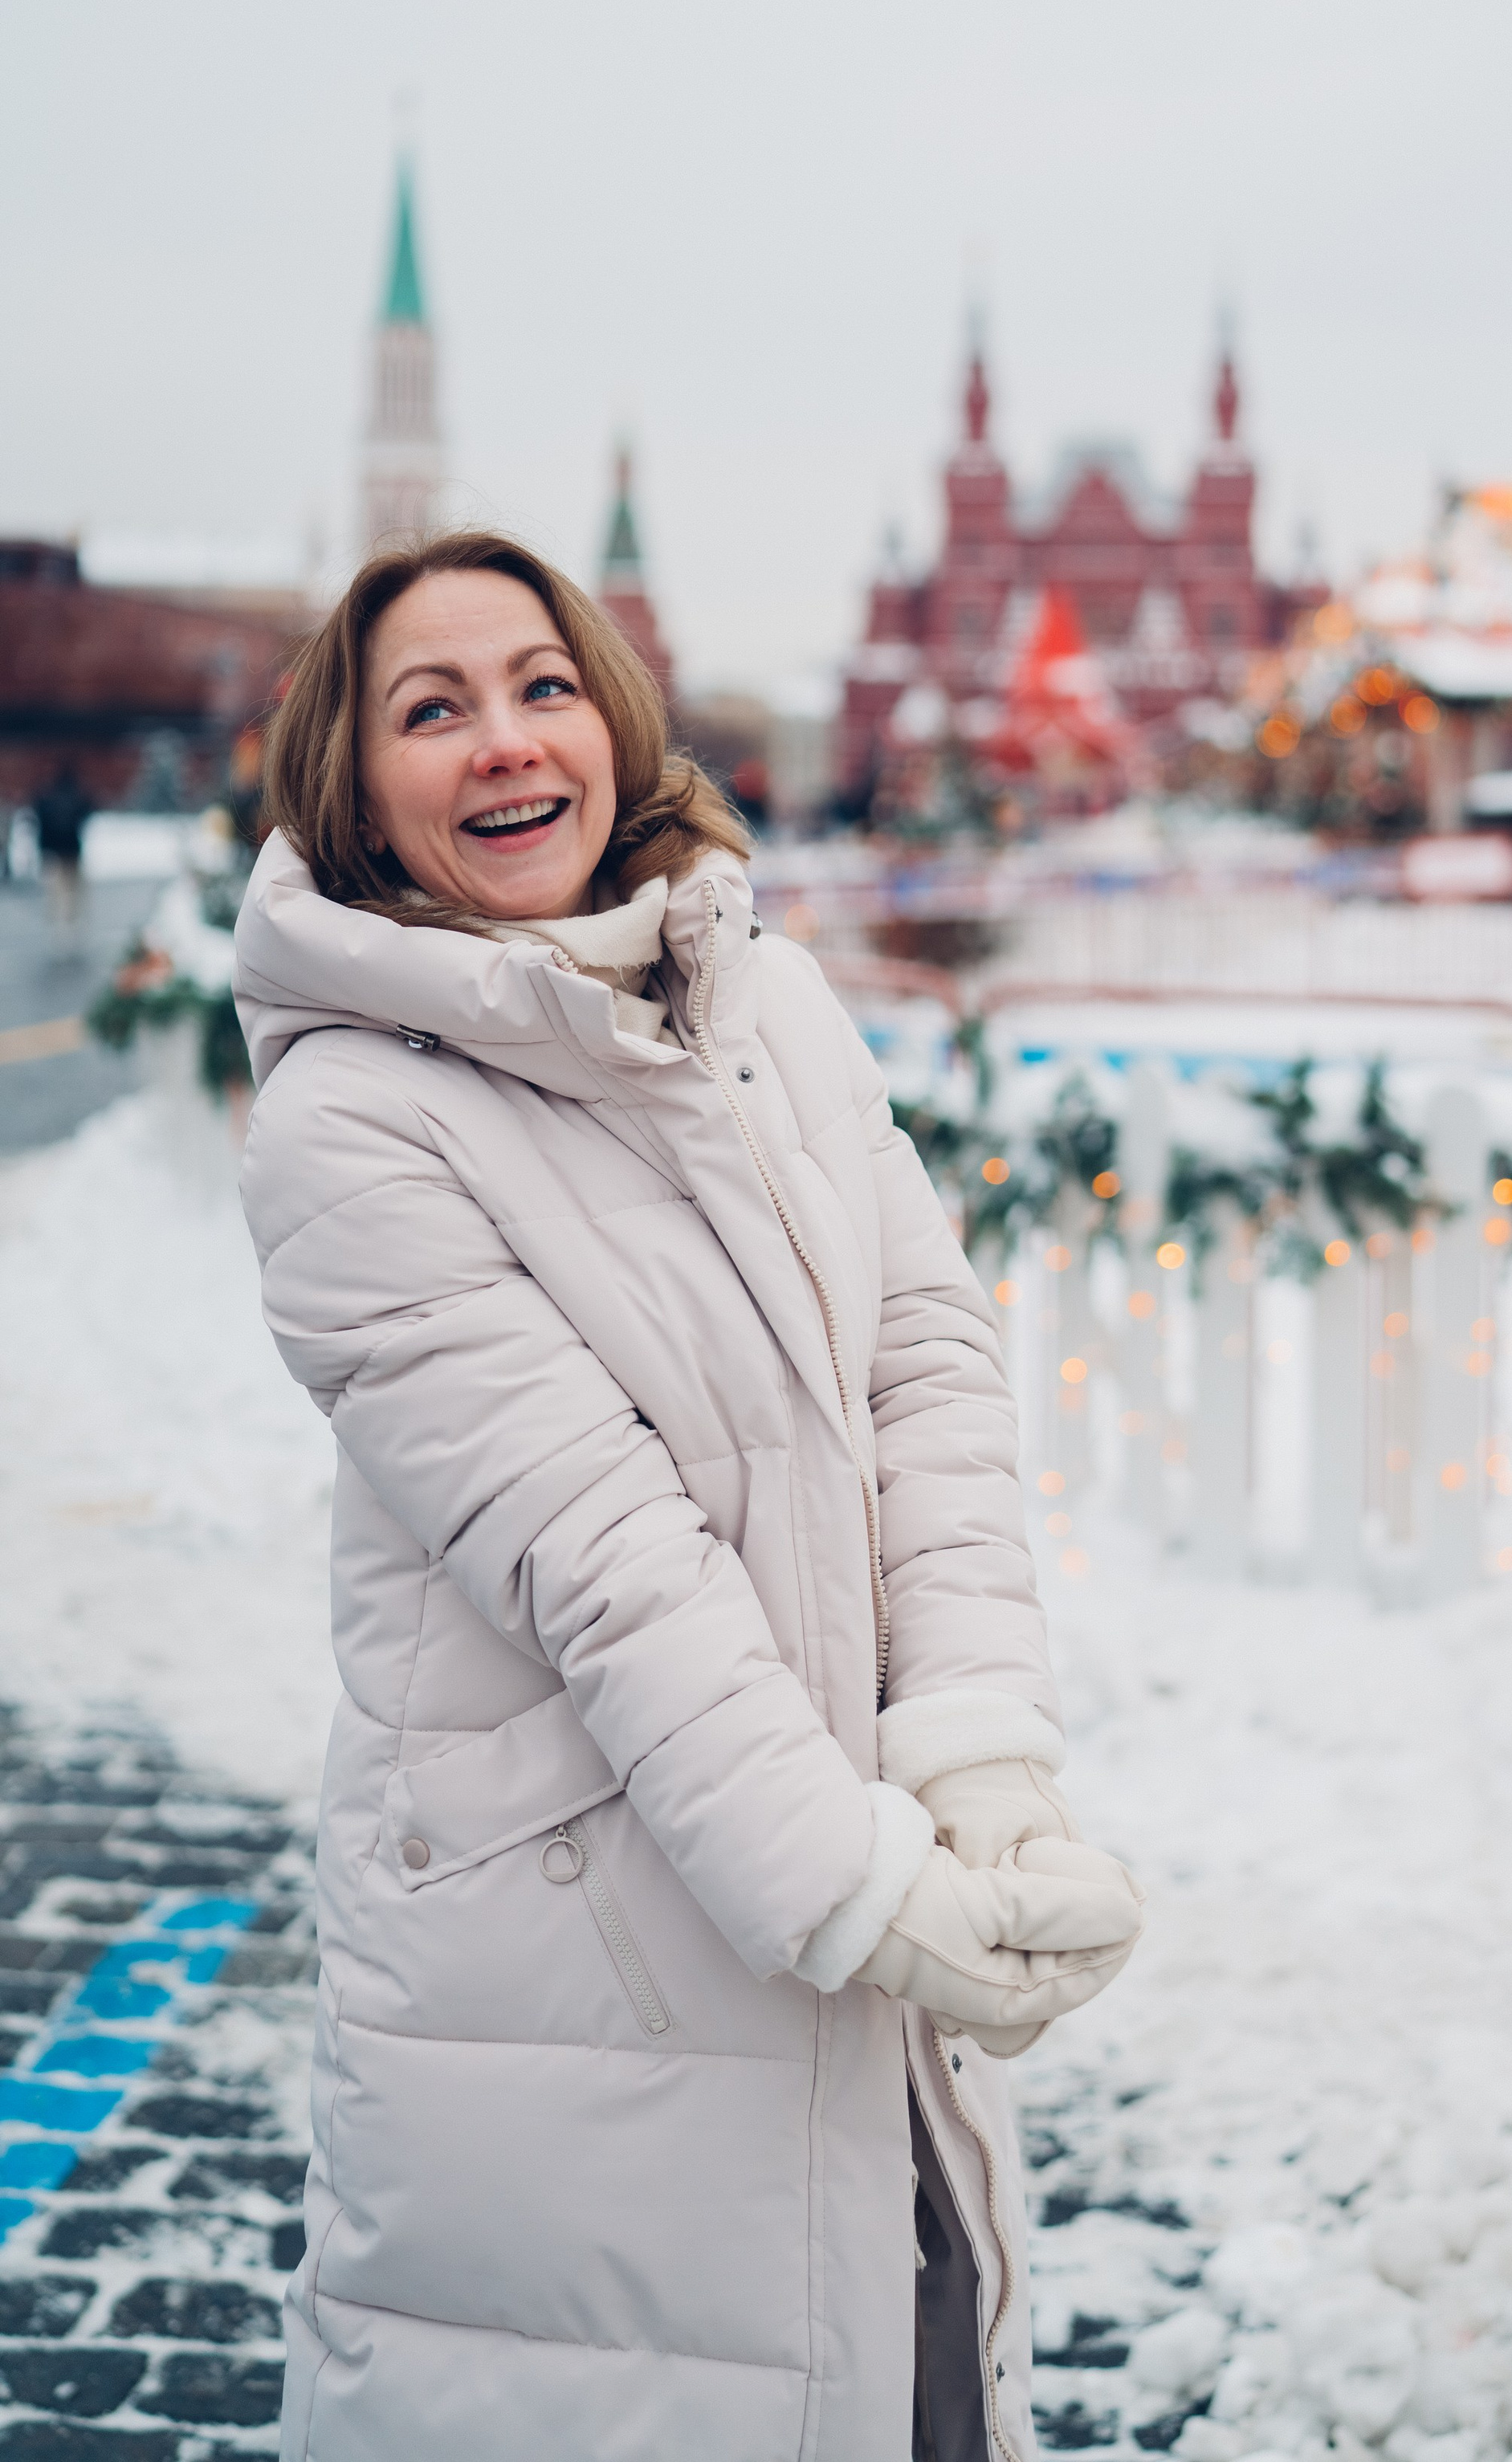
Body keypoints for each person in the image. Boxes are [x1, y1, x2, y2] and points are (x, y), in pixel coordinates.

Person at [234, 528, 1143, 2462]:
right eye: (433, 708)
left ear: (610, 720)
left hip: (821, 1901)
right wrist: (860, 1882)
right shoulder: (350, 1119)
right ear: (354, 786)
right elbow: (607, 1564)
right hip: (583, 1976)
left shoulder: (760, 1005)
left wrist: (980, 1757)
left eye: (541, 685)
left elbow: (925, 1360)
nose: (504, 743)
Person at [33, 763, 91, 948]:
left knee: (59, 894)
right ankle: (69, 924)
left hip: (57, 853)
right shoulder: (75, 798)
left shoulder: (47, 799)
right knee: (70, 893)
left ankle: (62, 925)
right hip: (69, 852)